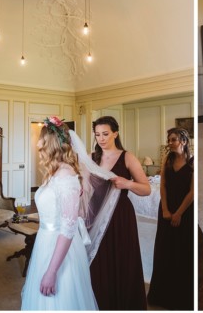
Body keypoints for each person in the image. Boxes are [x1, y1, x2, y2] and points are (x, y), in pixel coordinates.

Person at [21, 116, 98, 310]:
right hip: (45, 241)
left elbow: (69, 228)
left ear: (52, 143)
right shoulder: (55, 172)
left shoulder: (65, 175)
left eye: (42, 139)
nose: (38, 143)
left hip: (60, 247)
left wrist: (52, 271)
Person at [88, 116, 150, 310]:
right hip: (95, 213)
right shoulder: (91, 158)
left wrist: (128, 183)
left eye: (105, 134)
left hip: (120, 216)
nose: (101, 139)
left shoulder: (127, 157)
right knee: (97, 260)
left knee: (122, 259)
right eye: (97, 134)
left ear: (115, 133)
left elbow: (146, 189)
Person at [147, 127, 194, 310]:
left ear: (183, 141)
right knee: (164, 250)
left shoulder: (192, 162)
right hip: (166, 210)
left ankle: (180, 297)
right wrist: (166, 210)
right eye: (169, 139)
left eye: (173, 139)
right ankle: (161, 295)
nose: (170, 142)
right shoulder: (168, 159)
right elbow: (163, 186)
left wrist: (179, 213)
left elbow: (192, 192)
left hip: (185, 210)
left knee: (182, 251)